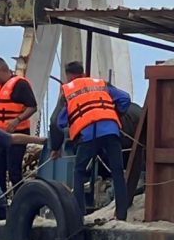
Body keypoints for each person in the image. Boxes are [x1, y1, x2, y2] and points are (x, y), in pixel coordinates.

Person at [51, 61, 131, 221]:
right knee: (117, 172)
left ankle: (78, 215)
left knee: (79, 172)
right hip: (111, 131)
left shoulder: (68, 91)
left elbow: (57, 122)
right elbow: (125, 98)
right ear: (83, 73)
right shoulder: (102, 84)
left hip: (88, 135)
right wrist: (114, 113)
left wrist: (56, 147)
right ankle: (122, 215)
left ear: (69, 76)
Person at [0, 57, 37, 195]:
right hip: (0, 134)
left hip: (17, 134)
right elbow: (2, 109)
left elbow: (32, 107)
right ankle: (1, 203)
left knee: (14, 170)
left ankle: (21, 202)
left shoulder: (20, 84)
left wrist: (17, 120)